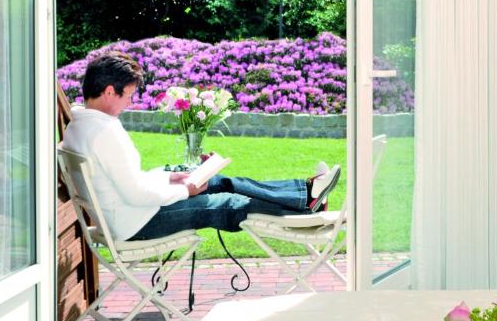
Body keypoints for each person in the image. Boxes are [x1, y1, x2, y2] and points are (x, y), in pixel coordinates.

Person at [62, 51, 340, 242]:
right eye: (129, 96)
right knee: (228, 205)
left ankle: (305, 192)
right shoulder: (104, 132)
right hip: (138, 221)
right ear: (110, 91)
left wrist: (170, 177)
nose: (130, 104)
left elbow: (125, 183)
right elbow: (135, 193)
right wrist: (185, 190)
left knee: (216, 179)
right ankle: (306, 208)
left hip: (128, 214)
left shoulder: (79, 125)